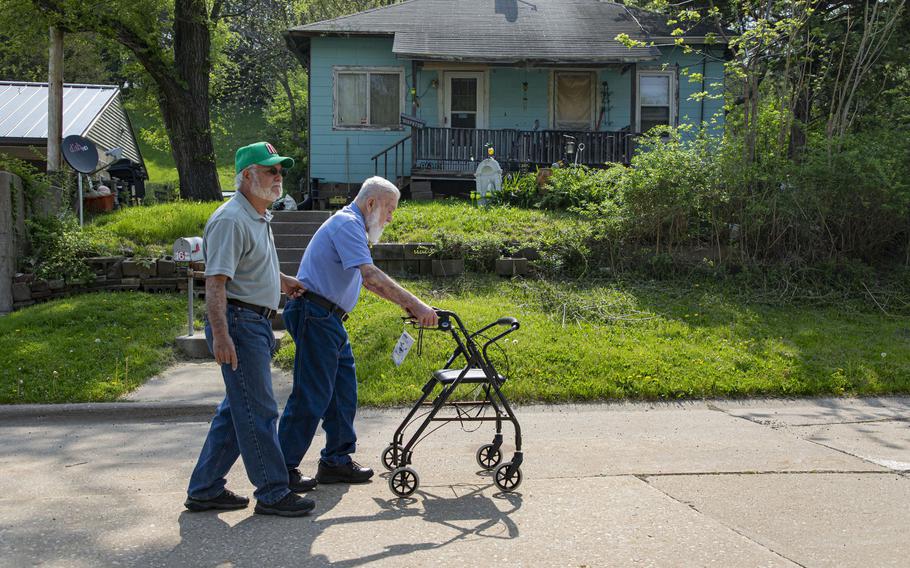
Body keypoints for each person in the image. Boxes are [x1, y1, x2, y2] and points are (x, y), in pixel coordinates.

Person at [279, 176, 438, 488]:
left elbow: (367, 281)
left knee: (343, 392)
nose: (391, 217)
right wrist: (416, 304)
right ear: (371, 203)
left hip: (328, 318)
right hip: (316, 314)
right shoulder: (347, 224)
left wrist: (404, 305)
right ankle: (281, 469)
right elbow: (371, 276)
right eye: (390, 209)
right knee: (312, 394)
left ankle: (336, 461)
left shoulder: (353, 227)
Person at [184, 141, 314, 517]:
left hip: (252, 320)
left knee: (236, 410)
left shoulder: (257, 215)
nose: (278, 177)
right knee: (259, 411)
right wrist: (221, 335)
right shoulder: (231, 220)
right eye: (270, 170)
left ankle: (205, 488)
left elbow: (251, 269)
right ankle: (273, 491)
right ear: (247, 176)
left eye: (280, 170)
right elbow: (216, 283)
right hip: (238, 324)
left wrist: (283, 280)